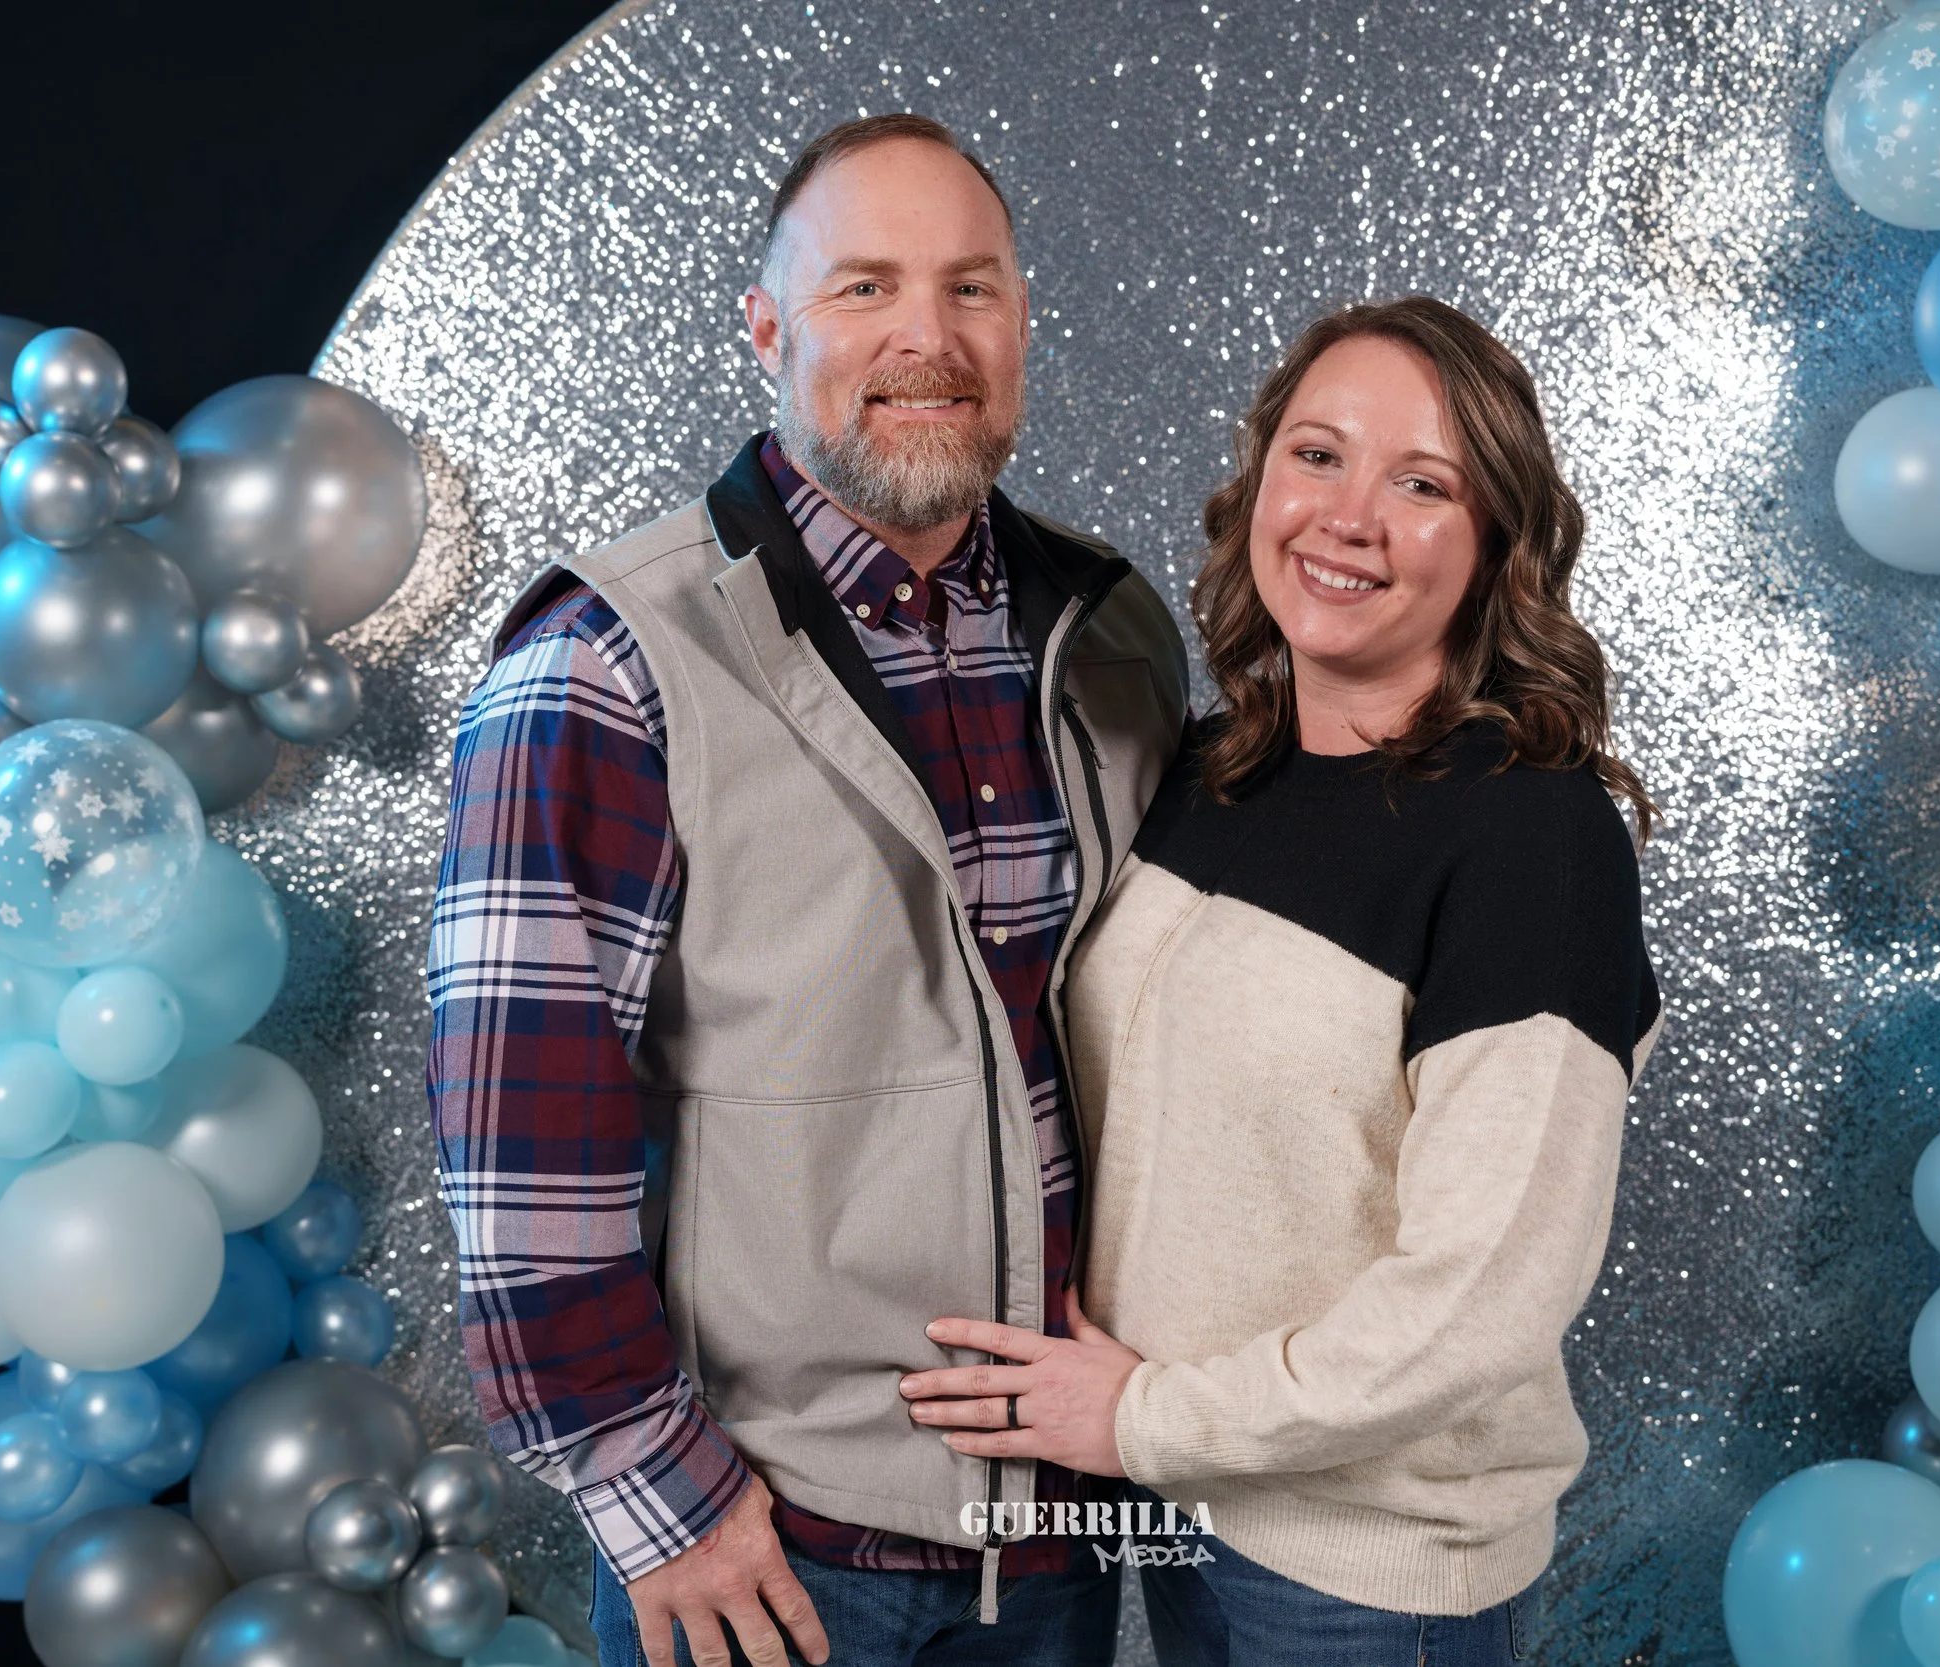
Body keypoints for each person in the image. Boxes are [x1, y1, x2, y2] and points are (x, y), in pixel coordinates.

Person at [424, 113, 1187, 1667]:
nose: (930, 336)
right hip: (776, 1556)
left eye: (972, 289)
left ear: (1024, 323)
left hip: (1062, 1541)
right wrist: (663, 1500)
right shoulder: (606, 662)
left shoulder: (1111, 637)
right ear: (768, 329)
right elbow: (520, 1148)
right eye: (865, 290)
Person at [897, 296, 1665, 1665]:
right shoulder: (1204, 772)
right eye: (1318, 455)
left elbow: (1481, 1297)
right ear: (1261, 483)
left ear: (1494, 547)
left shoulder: (1529, 836)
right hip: (1189, 1513)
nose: (1349, 515)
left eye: (1422, 483)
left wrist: (1140, 1419)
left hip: (1369, 1569)